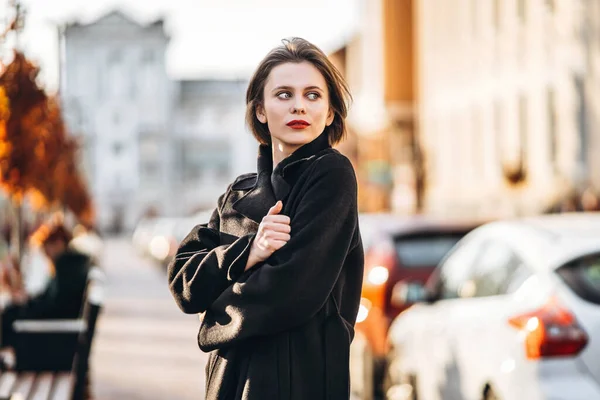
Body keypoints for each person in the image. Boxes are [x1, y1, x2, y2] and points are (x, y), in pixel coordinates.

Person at [168, 37, 364, 399]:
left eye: (313, 95)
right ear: (260, 109)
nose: (299, 107)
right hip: (228, 381)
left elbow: (291, 290)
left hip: (300, 383)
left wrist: (212, 317)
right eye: (284, 94)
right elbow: (182, 280)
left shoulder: (332, 174)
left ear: (331, 112)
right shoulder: (237, 192)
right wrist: (249, 252)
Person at [1, 221, 91, 349]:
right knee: (9, 311)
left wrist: (26, 304)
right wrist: (28, 300)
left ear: (59, 243)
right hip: (57, 331)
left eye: (46, 247)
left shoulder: (66, 267)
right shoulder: (71, 265)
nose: (45, 253)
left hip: (53, 337)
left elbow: (52, 305)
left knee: (8, 314)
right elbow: (52, 299)